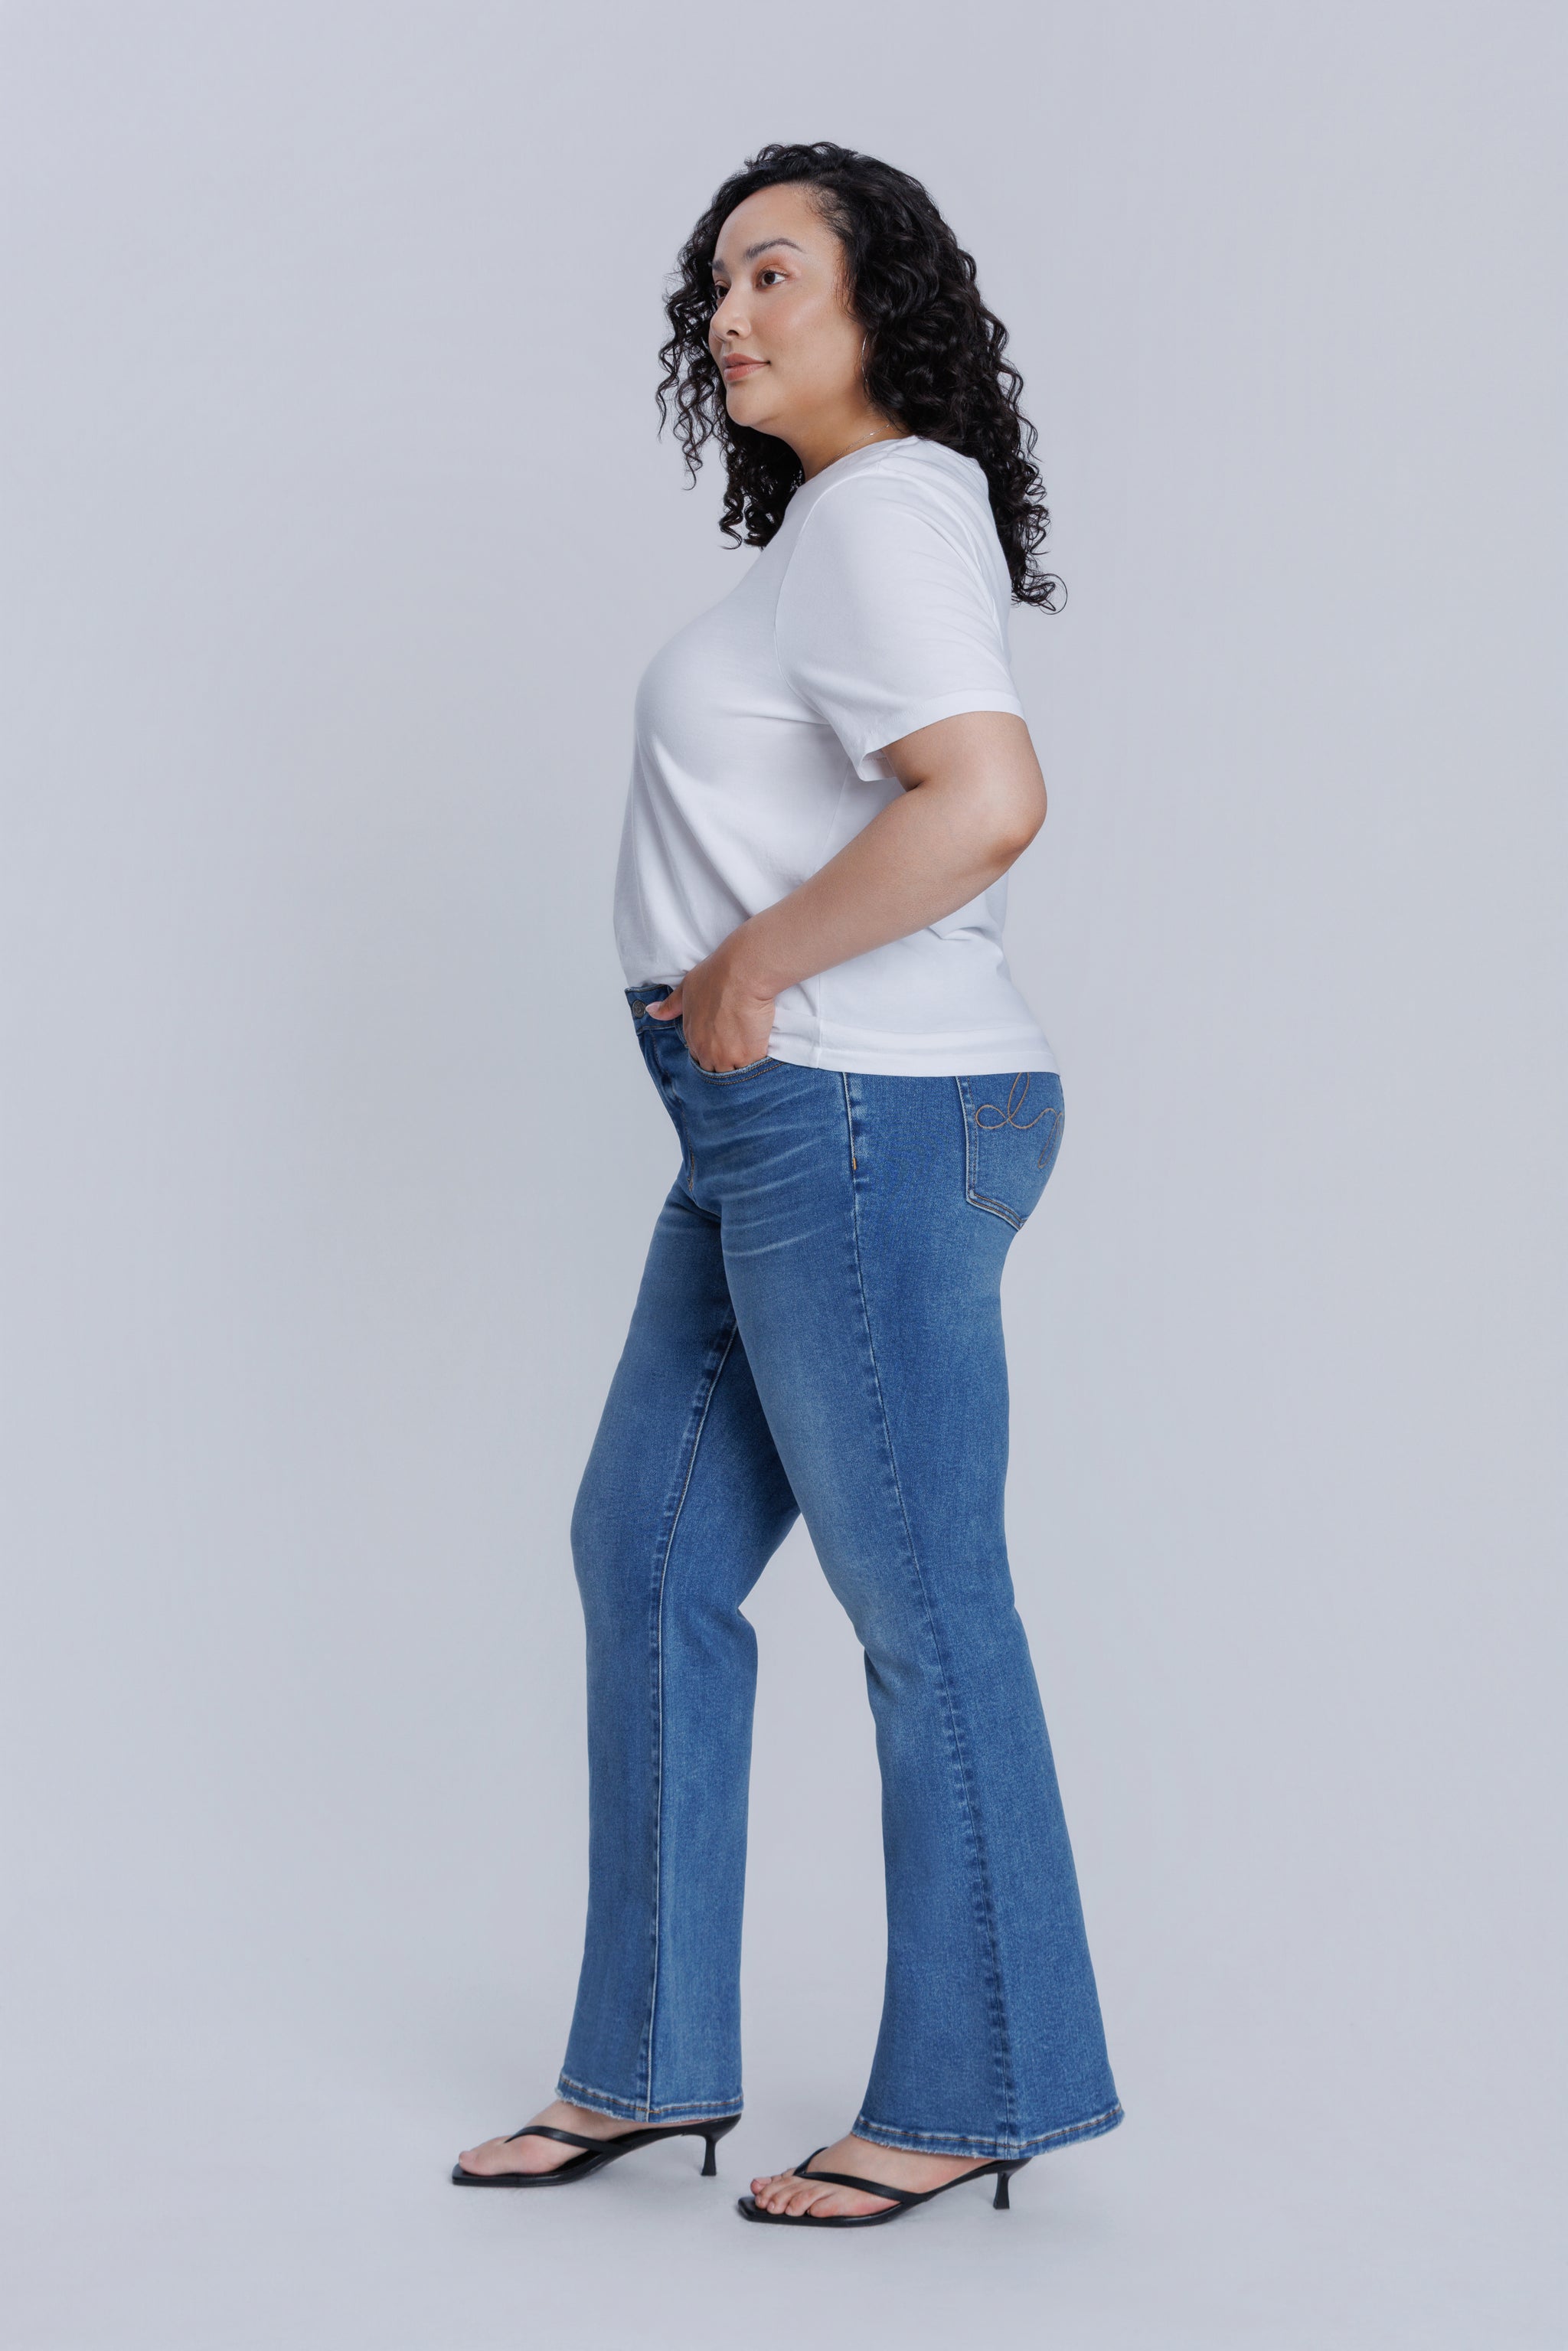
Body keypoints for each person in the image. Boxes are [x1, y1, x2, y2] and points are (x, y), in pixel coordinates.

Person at [453, 140, 1122, 2229]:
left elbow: (985, 798)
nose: (728, 316)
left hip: (857, 1111)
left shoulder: (885, 508)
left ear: (877, 305)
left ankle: (982, 2083)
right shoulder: (844, 527)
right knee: (643, 1554)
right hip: (781, 1125)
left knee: (923, 1603)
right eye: (716, 287)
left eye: (774, 275)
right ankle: (646, 2064)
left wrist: (752, 964)